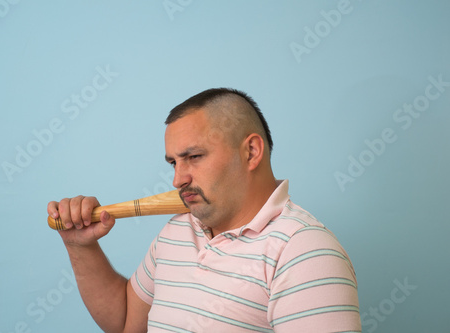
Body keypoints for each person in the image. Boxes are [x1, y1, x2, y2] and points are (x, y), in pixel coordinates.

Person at [47, 88, 361, 332]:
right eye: (173, 162)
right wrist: (80, 245)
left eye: (194, 157)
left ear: (251, 152)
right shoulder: (178, 229)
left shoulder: (305, 252)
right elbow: (128, 322)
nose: (177, 179)